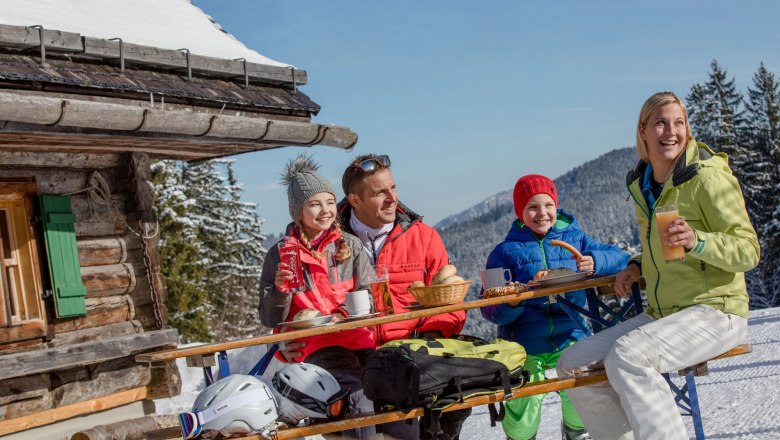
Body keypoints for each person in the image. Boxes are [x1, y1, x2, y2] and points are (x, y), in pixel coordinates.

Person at [556, 91, 760, 440]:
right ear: (643, 130)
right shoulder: (645, 186)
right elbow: (659, 250)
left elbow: (748, 251)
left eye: (679, 122)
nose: (671, 131)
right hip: (665, 313)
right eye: (661, 122)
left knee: (629, 356)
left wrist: (697, 241)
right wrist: (636, 266)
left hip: (716, 310)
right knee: (572, 363)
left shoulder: (707, 177)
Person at [480, 174, 629, 440]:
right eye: (532, 207)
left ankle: (574, 431)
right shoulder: (504, 252)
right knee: (524, 393)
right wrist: (512, 301)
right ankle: (521, 438)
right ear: (521, 212)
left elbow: (621, 257)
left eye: (548, 205)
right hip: (524, 343)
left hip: (570, 333)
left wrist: (594, 261)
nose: (542, 213)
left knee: (582, 384)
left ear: (556, 206)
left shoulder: (576, 239)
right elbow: (488, 307)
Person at [338, 153, 469, 440]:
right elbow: (307, 301)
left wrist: (430, 339)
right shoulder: (331, 244)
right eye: (379, 192)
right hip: (353, 358)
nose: (392, 198)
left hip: (414, 354)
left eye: (393, 188)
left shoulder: (423, 237)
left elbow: (450, 302)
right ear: (355, 200)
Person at [259, 154, 376, 439]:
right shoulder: (280, 254)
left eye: (328, 202)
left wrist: (346, 314)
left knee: (387, 392)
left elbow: (370, 295)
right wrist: (280, 289)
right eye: (314, 204)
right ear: (298, 212)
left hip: (359, 340)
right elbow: (270, 318)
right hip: (315, 349)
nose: (324, 210)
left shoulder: (349, 246)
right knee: (357, 399)